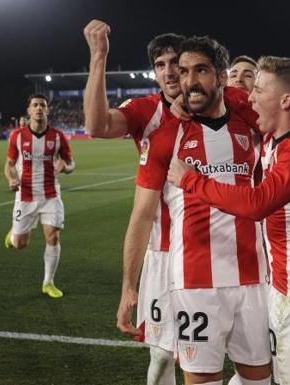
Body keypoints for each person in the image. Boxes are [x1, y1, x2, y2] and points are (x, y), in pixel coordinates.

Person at [84, 20, 255, 385]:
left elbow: (272, 110)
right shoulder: (149, 113)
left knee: (246, 363)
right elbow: (96, 125)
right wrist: (99, 57)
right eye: (160, 65)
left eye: (175, 63)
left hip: (225, 252)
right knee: (162, 355)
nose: (170, 72)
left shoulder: (227, 103)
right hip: (164, 253)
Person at [168, 56, 290, 385]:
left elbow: (258, 203)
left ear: (284, 100)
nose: (250, 96)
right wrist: (181, 97)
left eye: (259, 89)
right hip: (279, 291)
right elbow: (229, 96)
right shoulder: (270, 139)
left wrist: (191, 181)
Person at [118, 36, 272, 385]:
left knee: (259, 380)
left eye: (200, 70)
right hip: (195, 283)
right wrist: (129, 285)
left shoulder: (249, 123)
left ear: (221, 76)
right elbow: (142, 216)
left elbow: (288, 124)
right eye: (184, 71)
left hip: (253, 278)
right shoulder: (165, 137)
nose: (188, 80)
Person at [4, 94, 75, 299]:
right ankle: (13, 234)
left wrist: (65, 166)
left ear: (48, 110)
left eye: (42, 105)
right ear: (29, 110)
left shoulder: (58, 136)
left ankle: (48, 282)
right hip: (25, 196)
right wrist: (10, 179)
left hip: (51, 194)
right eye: (35, 105)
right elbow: (9, 164)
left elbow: (71, 163)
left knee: (53, 235)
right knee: (20, 244)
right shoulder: (17, 136)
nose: (39, 109)